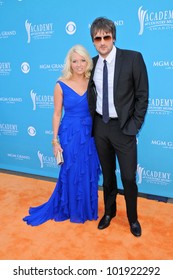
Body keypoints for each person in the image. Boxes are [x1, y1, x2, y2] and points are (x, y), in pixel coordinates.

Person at [23, 45, 100, 226]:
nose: (79, 64)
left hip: (90, 133)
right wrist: (55, 140)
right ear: (69, 63)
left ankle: (87, 209)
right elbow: (57, 114)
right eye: (75, 61)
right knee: (72, 171)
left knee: (88, 170)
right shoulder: (61, 84)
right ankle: (71, 209)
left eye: (82, 60)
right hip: (70, 134)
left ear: (88, 61)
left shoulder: (93, 81)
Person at [87, 17, 149, 237]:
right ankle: (109, 213)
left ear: (113, 37)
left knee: (129, 177)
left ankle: (133, 218)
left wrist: (134, 125)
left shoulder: (133, 58)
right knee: (107, 174)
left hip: (124, 128)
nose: (102, 42)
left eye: (106, 37)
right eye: (98, 38)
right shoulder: (91, 64)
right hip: (101, 127)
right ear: (93, 41)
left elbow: (142, 95)